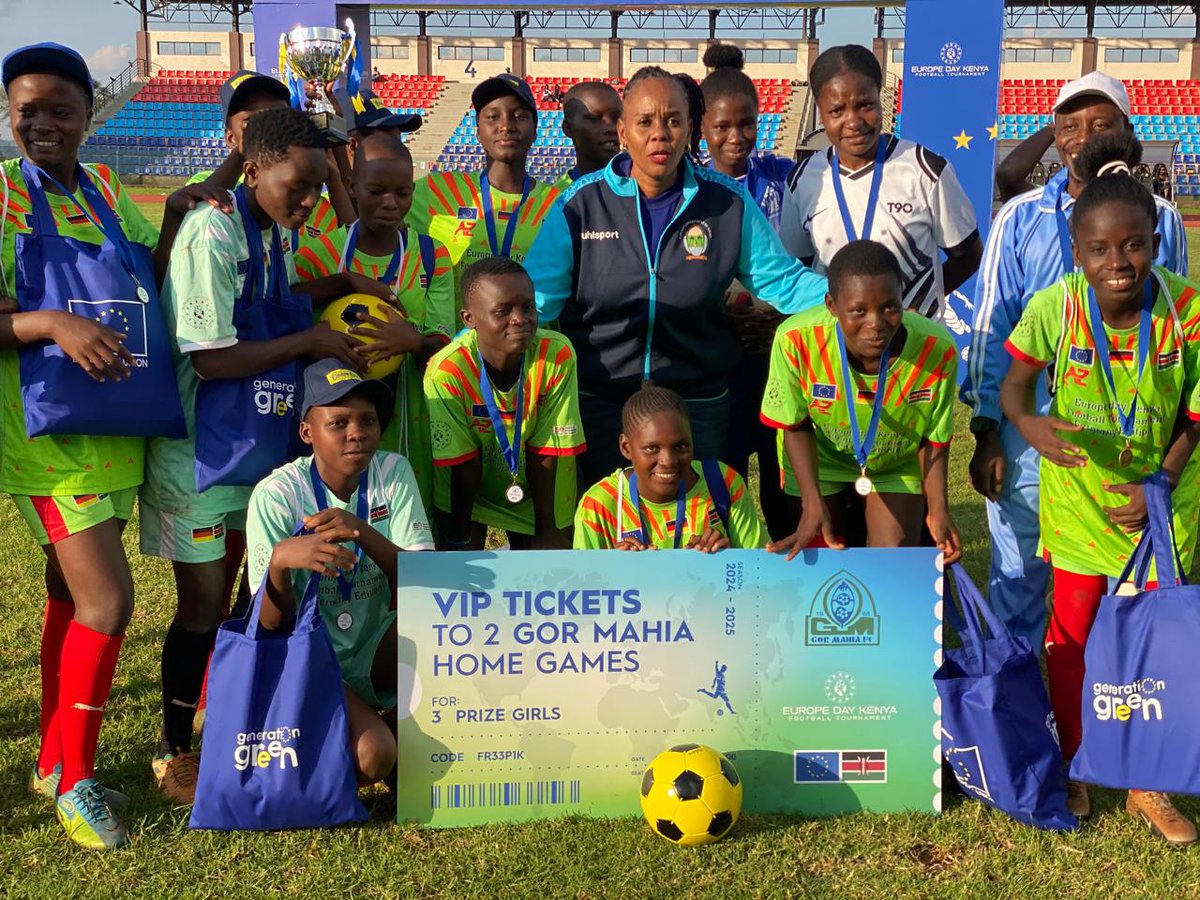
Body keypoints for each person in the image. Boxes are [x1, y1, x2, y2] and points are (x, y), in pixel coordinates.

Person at [0, 41, 218, 850]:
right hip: (49, 442)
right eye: (27, 110)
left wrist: (180, 214)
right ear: (8, 112)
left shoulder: (103, 190)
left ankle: (53, 756)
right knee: (108, 601)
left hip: (115, 430)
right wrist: (52, 323)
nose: (43, 123)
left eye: (61, 109)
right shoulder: (2, 197)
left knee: (67, 598)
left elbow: (147, 279)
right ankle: (78, 783)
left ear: (91, 115)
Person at [141, 107, 391, 804]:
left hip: (255, 448)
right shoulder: (212, 232)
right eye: (299, 187)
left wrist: (334, 289)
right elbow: (214, 357)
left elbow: (270, 302)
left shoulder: (277, 230)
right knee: (201, 607)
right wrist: (308, 342)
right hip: (197, 458)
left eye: (318, 189)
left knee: (255, 601)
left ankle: (244, 725)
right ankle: (174, 749)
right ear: (253, 169)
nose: (310, 203)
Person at [999, 145, 1200, 843]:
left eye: (1134, 245)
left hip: (1160, 509)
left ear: (1155, 242)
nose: (1119, 262)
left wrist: (1163, 482)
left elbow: (1198, 415)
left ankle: (1149, 783)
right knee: (1074, 640)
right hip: (1081, 506)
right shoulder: (1056, 308)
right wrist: (1027, 424)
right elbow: (1014, 385)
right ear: (1077, 253)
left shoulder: (1189, 312)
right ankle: (1077, 762)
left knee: (1154, 644)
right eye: (1099, 249)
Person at [962, 75, 1188, 649]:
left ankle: (1119, 711)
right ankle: (1016, 719)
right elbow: (992, 332)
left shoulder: (1161, 216)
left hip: (1130, 440)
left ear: (1127, 133)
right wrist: (989, 429)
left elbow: (1176, 335)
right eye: (1069, 126)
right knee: (1018, 580)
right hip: (1033, 436)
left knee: (1121, 593)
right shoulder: (1020, 217)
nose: (1082, 139)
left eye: (1100, 124)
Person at [526, 65, 827, 485]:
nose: (660, 134)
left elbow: (785, 281)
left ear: (690, 129)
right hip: (602, 401)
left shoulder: (728, 203)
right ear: (624, 130)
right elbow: (537, 299)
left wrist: (847, 302)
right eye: (645, 121)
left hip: (696, 403)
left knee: (696, 529)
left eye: (672, 120)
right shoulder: (579, 205)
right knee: (610, 525)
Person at [247, 359, 434, 788]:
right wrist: (279, 563)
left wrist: (364, 532)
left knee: (439, 626)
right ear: (307, 432)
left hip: (374, 644)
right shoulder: (276, 496)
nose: (357, 432)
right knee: (376, 755)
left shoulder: (393, 472)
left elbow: (423, 584)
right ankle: (330, 738)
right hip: (309, 656)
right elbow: (269, 626)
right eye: (338, 422)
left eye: (367, 419)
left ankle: (380, 717)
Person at [761, 240, 961, 564]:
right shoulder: (795, 341)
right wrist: (812, 501)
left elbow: (934, 438)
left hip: (894, 462)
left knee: (895, 563)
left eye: (890, 307)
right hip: (819, 461)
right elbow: (795, 425)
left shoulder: (937, 349)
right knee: (821, 561)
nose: (876, 323)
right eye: (858, 311)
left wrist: (937, 509)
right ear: (832, 305)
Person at [296, 131, 455, 510]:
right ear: (351, 186)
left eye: (402, 193)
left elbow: (446, 346)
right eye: (376, 191)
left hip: (409, 416)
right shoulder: (318, 255)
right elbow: (290, 316)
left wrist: (413, 341)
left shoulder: (432, 257)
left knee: (403, 522)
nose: (390, 203)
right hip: (338, 422)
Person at [780, 45, 983, 322]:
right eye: (837, 111)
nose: (853, 122)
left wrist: (917, 307)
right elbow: (798, 268)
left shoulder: (925, 169)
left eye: (865, 105)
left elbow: (968, 256)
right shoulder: (802, 180)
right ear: (820, 113)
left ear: (880, 100)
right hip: (833, 347)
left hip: (913, 350)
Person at [701, 42, 797, 540]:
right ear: (702, 128)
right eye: (722, 127)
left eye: (747, 124)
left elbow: (803, 263)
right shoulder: (690, 188)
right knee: (727, 480)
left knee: (784, 484)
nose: (736, 138)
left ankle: (787, 577)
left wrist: (780, 321)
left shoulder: (786, 178)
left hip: (780, 352)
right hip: (721, 356)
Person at [425, 257, 585, 550]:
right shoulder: (448, 369)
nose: (520, 319)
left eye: (527, 307)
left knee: (544, 576)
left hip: (541, 489)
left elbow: (547, 449)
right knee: (462, 575)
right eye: (502, 311)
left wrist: (546, 529)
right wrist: (459, 538)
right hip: (467, 492)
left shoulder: (556, 354)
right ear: (469, 319)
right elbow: (463, 463)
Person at [407, 74, 559, 301]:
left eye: (519, 116)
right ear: (477, 132)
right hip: (453, 335)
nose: (506, 126)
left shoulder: (559, 205)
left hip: (531, 334)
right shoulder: (436, 190)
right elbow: (364, 212)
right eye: (492, 117)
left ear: (536, 130)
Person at [574, 382, 767, 550]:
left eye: (681, 446)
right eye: (652, 448)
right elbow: (580, 586)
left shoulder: (724, 484)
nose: (668, 461)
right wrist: (615, 569)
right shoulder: (598, 507)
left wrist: (727, 558)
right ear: (626, 448)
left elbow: (759, 575)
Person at [188, 70, 350, 238]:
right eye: (251, 121)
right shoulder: (203, 185)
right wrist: (252, 142)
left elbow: (350, 245)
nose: (270, 126)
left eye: (278, 116)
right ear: (230, 137)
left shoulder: (312, 200)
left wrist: (327, 143)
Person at [555, 81, 622, 190]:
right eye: (594, 119)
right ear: (568, 128)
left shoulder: (643, 191)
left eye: (617, 118)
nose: (611, 128)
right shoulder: (554, 200)